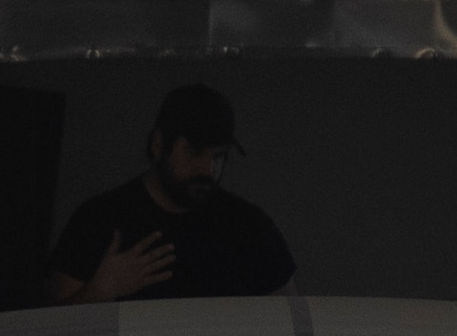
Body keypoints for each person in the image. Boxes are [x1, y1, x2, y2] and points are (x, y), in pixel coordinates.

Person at [43, 84, 296, 302]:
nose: (208, 169)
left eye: (218, 156)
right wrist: (97, 293)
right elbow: (52, 335)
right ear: (158, 144)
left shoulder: (250, 227)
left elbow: (292, 324)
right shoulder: (98, 221)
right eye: (194, 152)